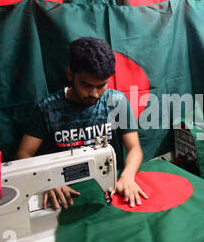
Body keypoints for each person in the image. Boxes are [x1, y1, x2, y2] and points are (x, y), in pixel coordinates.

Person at [16, 37, 148, 210]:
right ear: (70, 74)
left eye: (102, 85)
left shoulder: (116, 102)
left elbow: (134, 149)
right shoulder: (47, 109)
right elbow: (23, 155)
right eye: (86, 85)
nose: (94, 93)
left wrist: (128, 176)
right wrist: (47, 181)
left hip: (106, 191)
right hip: (64, 194)